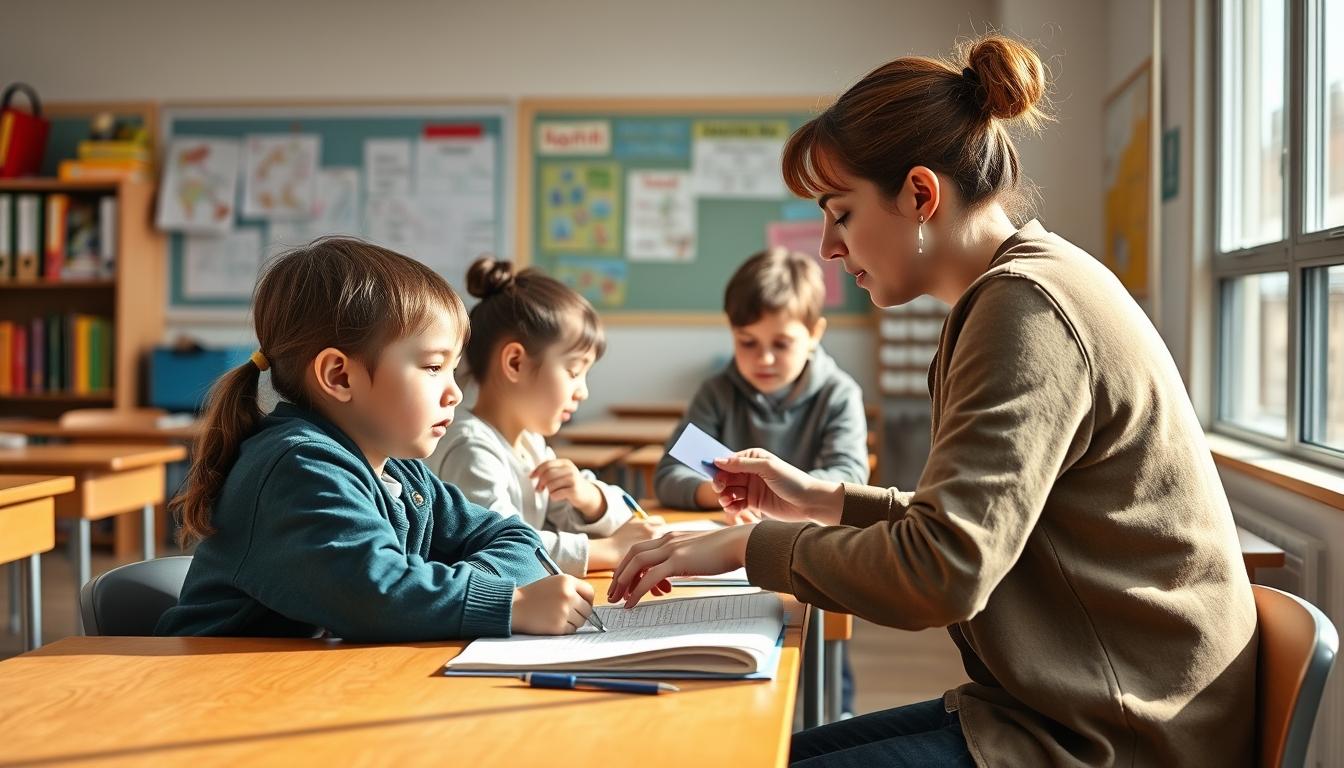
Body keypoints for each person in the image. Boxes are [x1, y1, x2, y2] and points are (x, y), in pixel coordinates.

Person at [609, 34, 1255, 767]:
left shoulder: (1026, 310)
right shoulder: (1017, 291)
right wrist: (821, 499)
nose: (826, 246)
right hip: (1071, 704)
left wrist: (744, 545)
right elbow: (964, 528)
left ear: (920, 194)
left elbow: (943, 571)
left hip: (1118, 735)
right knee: (764, 752)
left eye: (840, 212)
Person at [159, 238, 597, 641]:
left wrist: (443, 590)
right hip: (220, 695)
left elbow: (518, 540)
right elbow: (376, 596)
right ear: (340, 376)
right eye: (431, 367)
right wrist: (508, 602)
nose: (455, 392)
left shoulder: (402, 472)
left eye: (452, 368)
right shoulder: (298, 468)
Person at [428, 257, 664, 576]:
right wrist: (606, 551)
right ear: (515, 363)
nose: (583, 392)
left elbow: (575, 517)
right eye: (573, 371)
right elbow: (498, 547)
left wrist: (588, 496)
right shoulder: (470, 448)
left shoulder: (527, 440)